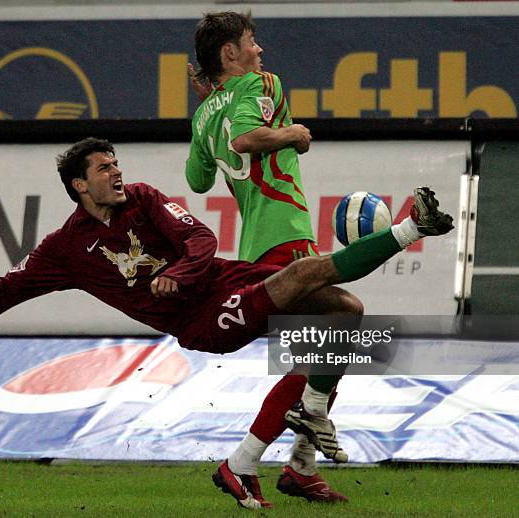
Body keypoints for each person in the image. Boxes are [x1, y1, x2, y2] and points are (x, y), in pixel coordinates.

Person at [0, 138, 453, 510]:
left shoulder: (145, 199)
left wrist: (179, 270)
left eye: (116, 163)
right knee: (299, 278)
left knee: (345, 311)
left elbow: (199, 240)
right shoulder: (65, 249)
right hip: (203, 321)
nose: (116, 172)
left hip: (222, 277)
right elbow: (9, 286)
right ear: (78, 184)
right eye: (104, 168)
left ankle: (253, 455)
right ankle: (412, 227)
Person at [185, 11, 360, 505]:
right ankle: (242, 462)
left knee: (324, 353)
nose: (260, 50)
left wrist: (209, 114)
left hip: (255, 247)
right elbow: (245, 139)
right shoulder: (262, 84)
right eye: (251, 41)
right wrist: (294, 133)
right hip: (285, 238)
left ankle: (300, 467)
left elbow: (199, 180)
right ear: (230, 54)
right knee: (345, 322)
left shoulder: (203, 113)